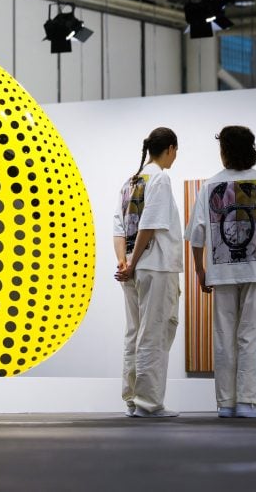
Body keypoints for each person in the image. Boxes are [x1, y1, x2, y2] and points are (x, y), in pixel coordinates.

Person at [186, 126, 256, 418]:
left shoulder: (209, 186)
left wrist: (200, 270)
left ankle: (227, 404)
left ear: (226, 151)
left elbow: (196, 235)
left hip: (221, 273)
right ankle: (247, 401)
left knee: (223, 335)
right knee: (251, 334)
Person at [113, 127, 182, 418]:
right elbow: (149, 225)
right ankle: (149, 403)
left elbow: (119, 227)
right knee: (153, 333)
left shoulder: (130, 182)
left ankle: (132, 399)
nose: (175, 156)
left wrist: (124, 262)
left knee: (134, 333)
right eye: (175, 151)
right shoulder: (160, 178)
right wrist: (136, 261)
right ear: (169, 148)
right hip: (155, 266)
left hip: (130, 269)